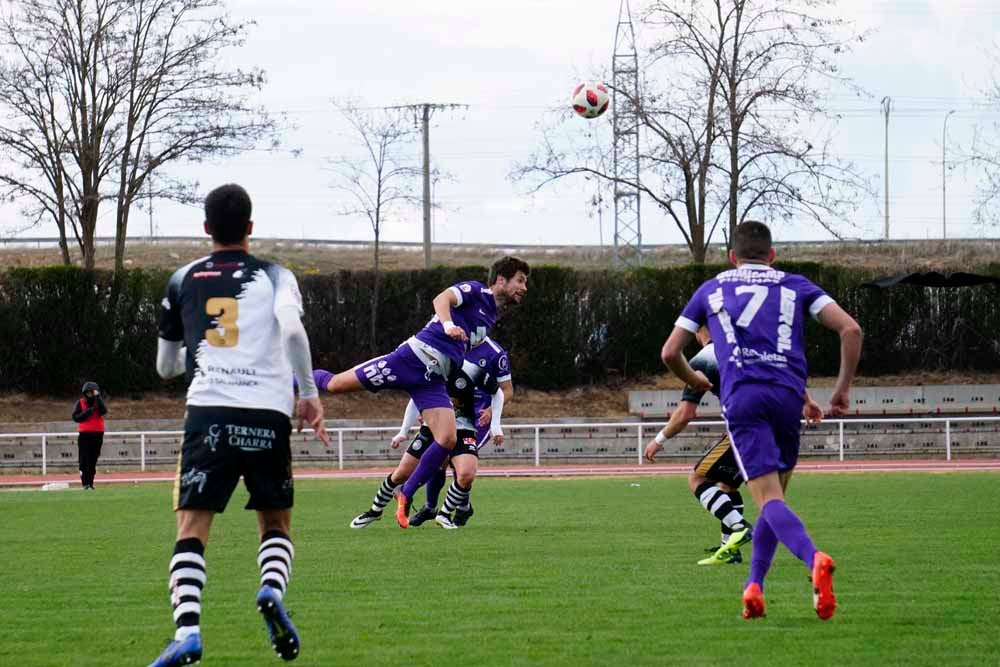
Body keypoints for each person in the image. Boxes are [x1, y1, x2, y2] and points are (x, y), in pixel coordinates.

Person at [148, 184, 329, 667]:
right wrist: (308, 394)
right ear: (250, 228)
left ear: (206, 229)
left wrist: (205, 348)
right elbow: (291, 330)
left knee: (192, 527)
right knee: (275, 521)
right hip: (267, 414)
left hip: (208, 412)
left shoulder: (182, 279)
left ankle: (187, 632)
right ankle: (270, 589)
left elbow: (166, 368)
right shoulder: (276, 275)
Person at [660, 220, 862, 621]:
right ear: (772, 255)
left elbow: (670, 353)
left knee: (768, 500)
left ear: (732, 257)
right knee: (774, 500)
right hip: (788, 397)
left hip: (745, 397)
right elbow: (851, 329)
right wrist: (839, 390)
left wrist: (694, 378)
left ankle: (814, 558)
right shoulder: (796, 285)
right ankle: (754, 588)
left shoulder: (712, 288)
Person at [318, 258, 528, 528]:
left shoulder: (491, 316)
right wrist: (448, 324)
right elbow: (441, 298)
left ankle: (407, 496)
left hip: (432, 380)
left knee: (447, 438)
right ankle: (292, 377)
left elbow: (500, 390)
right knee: (335, 384)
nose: (524, 287)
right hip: (412, 359)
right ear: (501, 279)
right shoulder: (477, 291)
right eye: (520, 280)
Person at [644, 328, 823, 565]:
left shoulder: (704, 358)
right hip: (783, 424)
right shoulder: (754, 346)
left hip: (750, 425)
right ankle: (730, 550)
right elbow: (788, 373)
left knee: (698, 479)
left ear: (700, 330)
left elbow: (686, 413)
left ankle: (738, 527)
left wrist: (658, 440)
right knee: (727, 484)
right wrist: (808, 402)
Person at [345, 335, 512, 530]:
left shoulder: (472, 368)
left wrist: (495, 424)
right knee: (402, 473)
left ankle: (444, 513)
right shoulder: (431, 365)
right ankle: (375, 510)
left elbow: (499, 391)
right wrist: (403, 431)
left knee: (465, 472)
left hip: (465, 426)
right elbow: (416, 398)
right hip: (433, 427)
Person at [72, 381, 107, 490]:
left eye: (92, 393)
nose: (90, 395)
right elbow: (75, 417)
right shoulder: (80, 403)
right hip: (85, 435)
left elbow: (103, 411)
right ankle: (85, 483)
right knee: (84, 460)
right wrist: (87, 412)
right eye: (88, 393)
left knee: (93, 459)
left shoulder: (98, 402)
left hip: (98, 434)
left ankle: (91, 483)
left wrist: (98, 397)